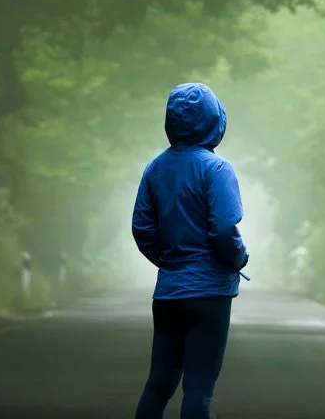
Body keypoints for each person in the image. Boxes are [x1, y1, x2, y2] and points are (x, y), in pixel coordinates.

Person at [131, 82, 249, 419]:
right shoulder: (216, 169)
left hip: (168, 292)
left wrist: (170, 261)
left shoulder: (155, 168)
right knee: (198, 389)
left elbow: (142, 228)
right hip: (210, 294)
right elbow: (224, 229)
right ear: (215, 120)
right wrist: (239, 258)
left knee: (158, 384)